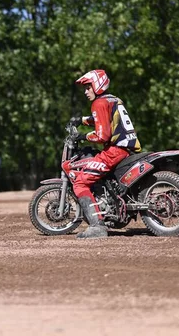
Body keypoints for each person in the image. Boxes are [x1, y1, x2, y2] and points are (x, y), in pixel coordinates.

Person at [70, 69, 142, 239]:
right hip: (126, 148)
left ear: (97, 85)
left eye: (88, 87)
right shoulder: (113, 99)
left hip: (114, 151)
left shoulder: (99, 103)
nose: (85, 91)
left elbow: (102, 135)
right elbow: (102, 118)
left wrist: (82, 135)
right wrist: (80, 120)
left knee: (80, 182)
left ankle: (97, 227)